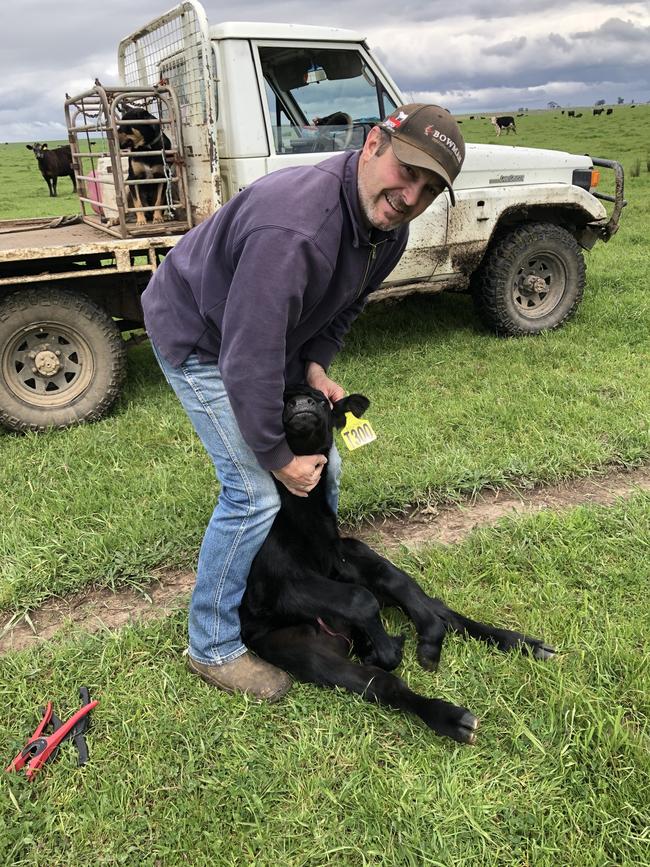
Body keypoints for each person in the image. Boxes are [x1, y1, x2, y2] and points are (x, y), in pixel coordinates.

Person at [141, 103, 466, 702]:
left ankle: (319, 574)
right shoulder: (296, 227)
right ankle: (211, 646)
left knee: (328, 463)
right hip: (203, 335)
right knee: (254, 490)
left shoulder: (386, 230)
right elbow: (246, 356)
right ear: (374, 145)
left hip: (259, 331)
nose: (411, 194)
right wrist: (273, 452)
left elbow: (344, 306)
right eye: (407, 169)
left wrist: (315, 366)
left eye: (429, 187)